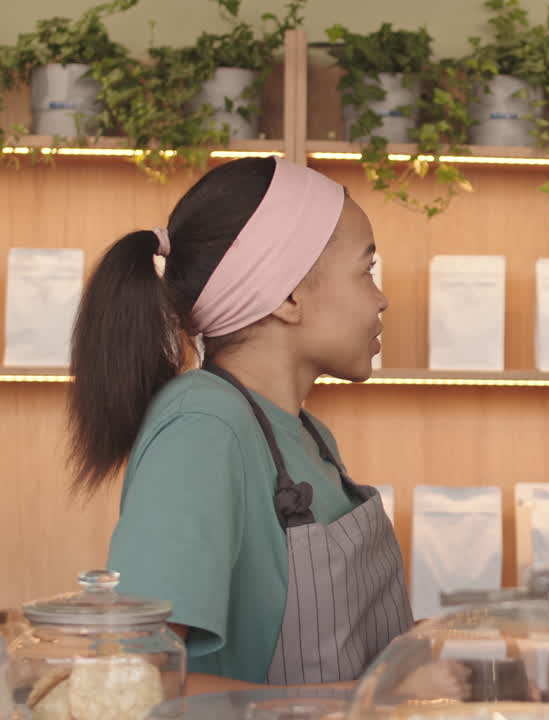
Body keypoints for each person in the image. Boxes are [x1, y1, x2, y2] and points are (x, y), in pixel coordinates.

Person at [67, 156, 465, 697]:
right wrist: (375, 695)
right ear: (287, 295)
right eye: (366, 270)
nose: (382, 298)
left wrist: (434, 643)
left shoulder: (307, 435)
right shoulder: (202, 429)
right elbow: (133, 687)